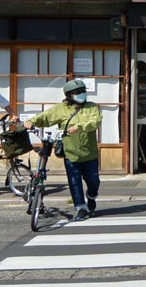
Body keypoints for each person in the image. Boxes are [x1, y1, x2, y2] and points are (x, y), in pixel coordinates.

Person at [24, 79, 101, 222]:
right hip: (70, 152)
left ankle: (91, 196)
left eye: (83, 91)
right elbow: (46, 117)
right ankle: (81, 208)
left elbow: (95, 122)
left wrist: (80, 126)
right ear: (69, 95)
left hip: (89, 153)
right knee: (74, 181)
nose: (81, 94)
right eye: (77, 92)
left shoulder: (92, 107)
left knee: (93, 181)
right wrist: (32, 121)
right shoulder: (61, 109)